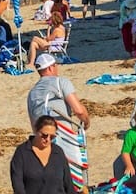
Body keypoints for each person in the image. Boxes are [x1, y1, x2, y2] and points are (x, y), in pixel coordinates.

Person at [26, 54, 89, 189]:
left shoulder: (32, 93)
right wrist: (86, 122)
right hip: (63, 138)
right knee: (75, 181)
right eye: (56, 65)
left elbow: (33, 125)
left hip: (43, 142)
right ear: (51, 67)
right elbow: (78, 110)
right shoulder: (60, 82)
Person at [10, 115, 76, 194]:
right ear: (36, 131)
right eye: (44, 135)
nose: (47, 140)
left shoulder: (58, 152)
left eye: (52, 137)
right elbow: (18, 186)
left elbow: (68, 184)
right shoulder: (22, 152)